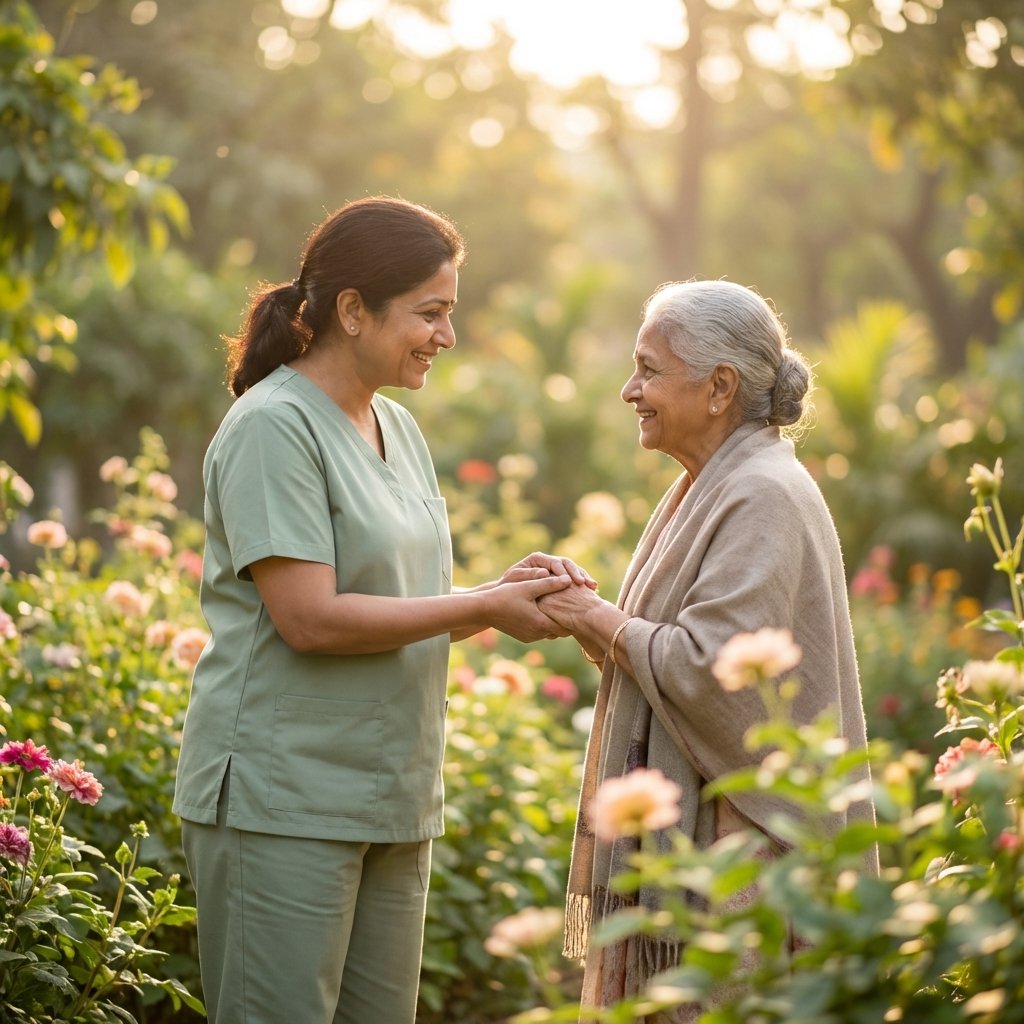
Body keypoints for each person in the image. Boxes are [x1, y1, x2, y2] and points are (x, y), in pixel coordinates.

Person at [171, 195, 592, 1024]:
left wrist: (498, 596)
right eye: (430, 313)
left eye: (450, 313)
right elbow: (312, 619)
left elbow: (408, 605)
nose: (448, 336)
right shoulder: (273, 427)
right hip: (282, 798)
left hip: (392, 795)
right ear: (353, 310)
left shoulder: (397, 426)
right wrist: (481, 605)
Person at [536, 279, 877, 1019]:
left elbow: (707, 671)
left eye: (649, 369)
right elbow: (659, 660)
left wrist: (596, 618)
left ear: (720, 387)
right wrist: (590, 613)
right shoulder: (710, 483)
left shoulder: (762, 492)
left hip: (741, 859)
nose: (631, 389)